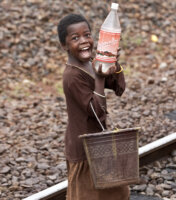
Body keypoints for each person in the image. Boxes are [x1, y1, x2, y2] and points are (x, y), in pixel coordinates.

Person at [57, 13, 129, 200]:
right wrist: (99, 77)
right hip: (83, 146)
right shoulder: (72, 77)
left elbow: (118, 87)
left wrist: (111, 62)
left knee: (116, 192)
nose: (84, 41)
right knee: (87, 194)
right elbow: (97, 112)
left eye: (87, 35)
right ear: (64, 46)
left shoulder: (89, 64)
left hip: (98, 140)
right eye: (75, 38)